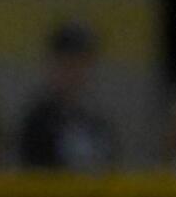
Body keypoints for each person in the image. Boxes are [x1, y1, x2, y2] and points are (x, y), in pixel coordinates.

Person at [19, 21, 116, 171]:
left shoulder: (97, 122)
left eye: (82, 63)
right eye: (67, 64)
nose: (75, 73)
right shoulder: (37, 122)